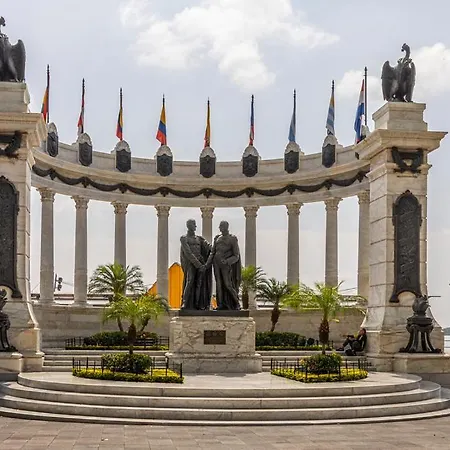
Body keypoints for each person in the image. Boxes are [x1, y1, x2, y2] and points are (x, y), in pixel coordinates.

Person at [207, 221, 241, 310]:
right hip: (216, 263)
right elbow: (212, 252)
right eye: (219, 226)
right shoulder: (217, 238)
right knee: (218, 284)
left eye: (221, 226)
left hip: (225, 265)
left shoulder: (232, 238)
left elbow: (236, 255)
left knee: (227, 284)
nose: (219, 228)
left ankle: (237, 303)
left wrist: (227, 261)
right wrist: (207, 263)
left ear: (226, 227)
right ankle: (220, 304)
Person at [180, 219, 212, 310]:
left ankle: (198, 304)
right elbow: (188, 253)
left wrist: (217, 246)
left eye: (194, 224)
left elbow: (209, 247)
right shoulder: (184, 238)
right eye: (192, 224)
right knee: (189, 281)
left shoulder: (199, 239)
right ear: (188, 226)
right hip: (191, 263)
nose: (194, 226)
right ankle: (185, 302)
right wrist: (199, 265)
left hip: (201, 262)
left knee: (199, 284)